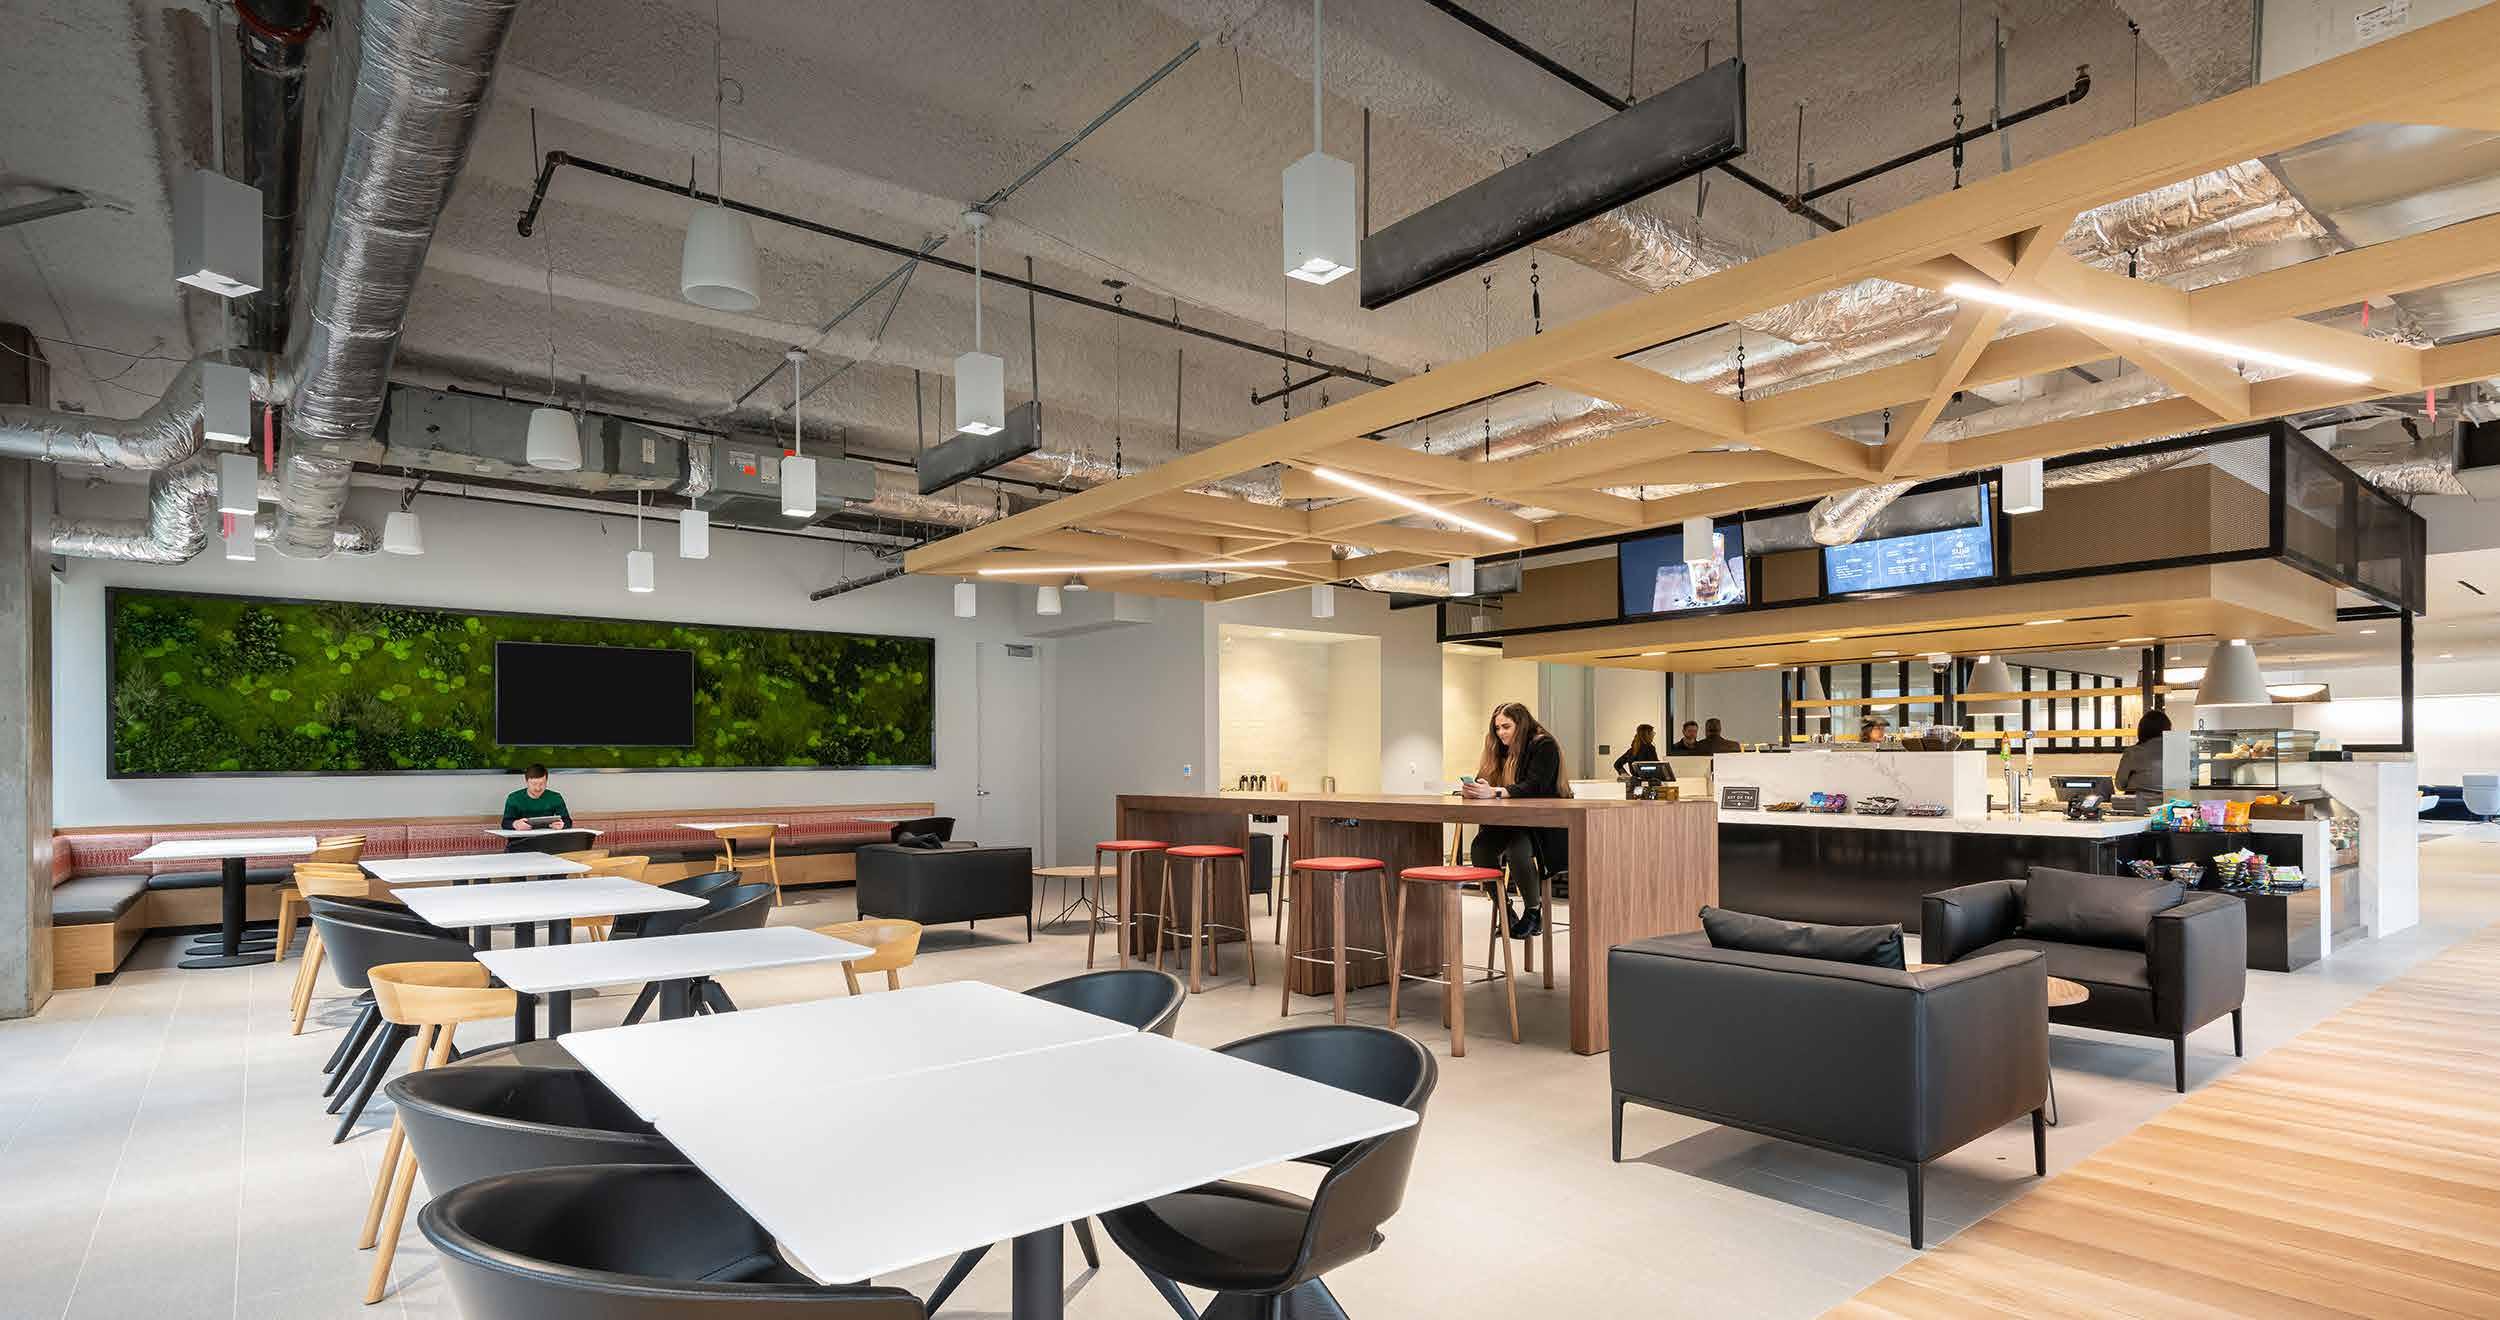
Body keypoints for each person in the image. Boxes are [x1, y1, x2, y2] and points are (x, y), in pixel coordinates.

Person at [1460, 702, 1566, 938]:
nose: (1501, 733)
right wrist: (1476, 789)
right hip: (1510, 821)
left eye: (1506, 727)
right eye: (1497, 728)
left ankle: (1533, 912)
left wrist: (1495, 792)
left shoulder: (1543, 745)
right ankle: (1504, 909)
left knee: (1518, 849)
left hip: (1542, 824)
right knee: (1480, 848)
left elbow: (1535, 785)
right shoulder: (1499, 748)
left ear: (1522, 724)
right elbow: (1487, 779)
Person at [501, 764, 575, 832]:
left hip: (547, 837)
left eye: (542, 784)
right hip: (520, 838)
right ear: (526, 781)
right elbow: (505, 823)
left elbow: (568, 821)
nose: (538, 788)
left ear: (546, 781)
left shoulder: (556, 797)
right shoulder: (514, 798)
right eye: (534, 784)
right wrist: (515, 824)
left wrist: (562, 825)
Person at [2115, 709, 2171, 795]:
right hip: (2171, 802)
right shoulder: (2178, 752)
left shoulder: (2132, 752)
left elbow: (2119, 785)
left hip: (2138, 801)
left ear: (2142, 730)